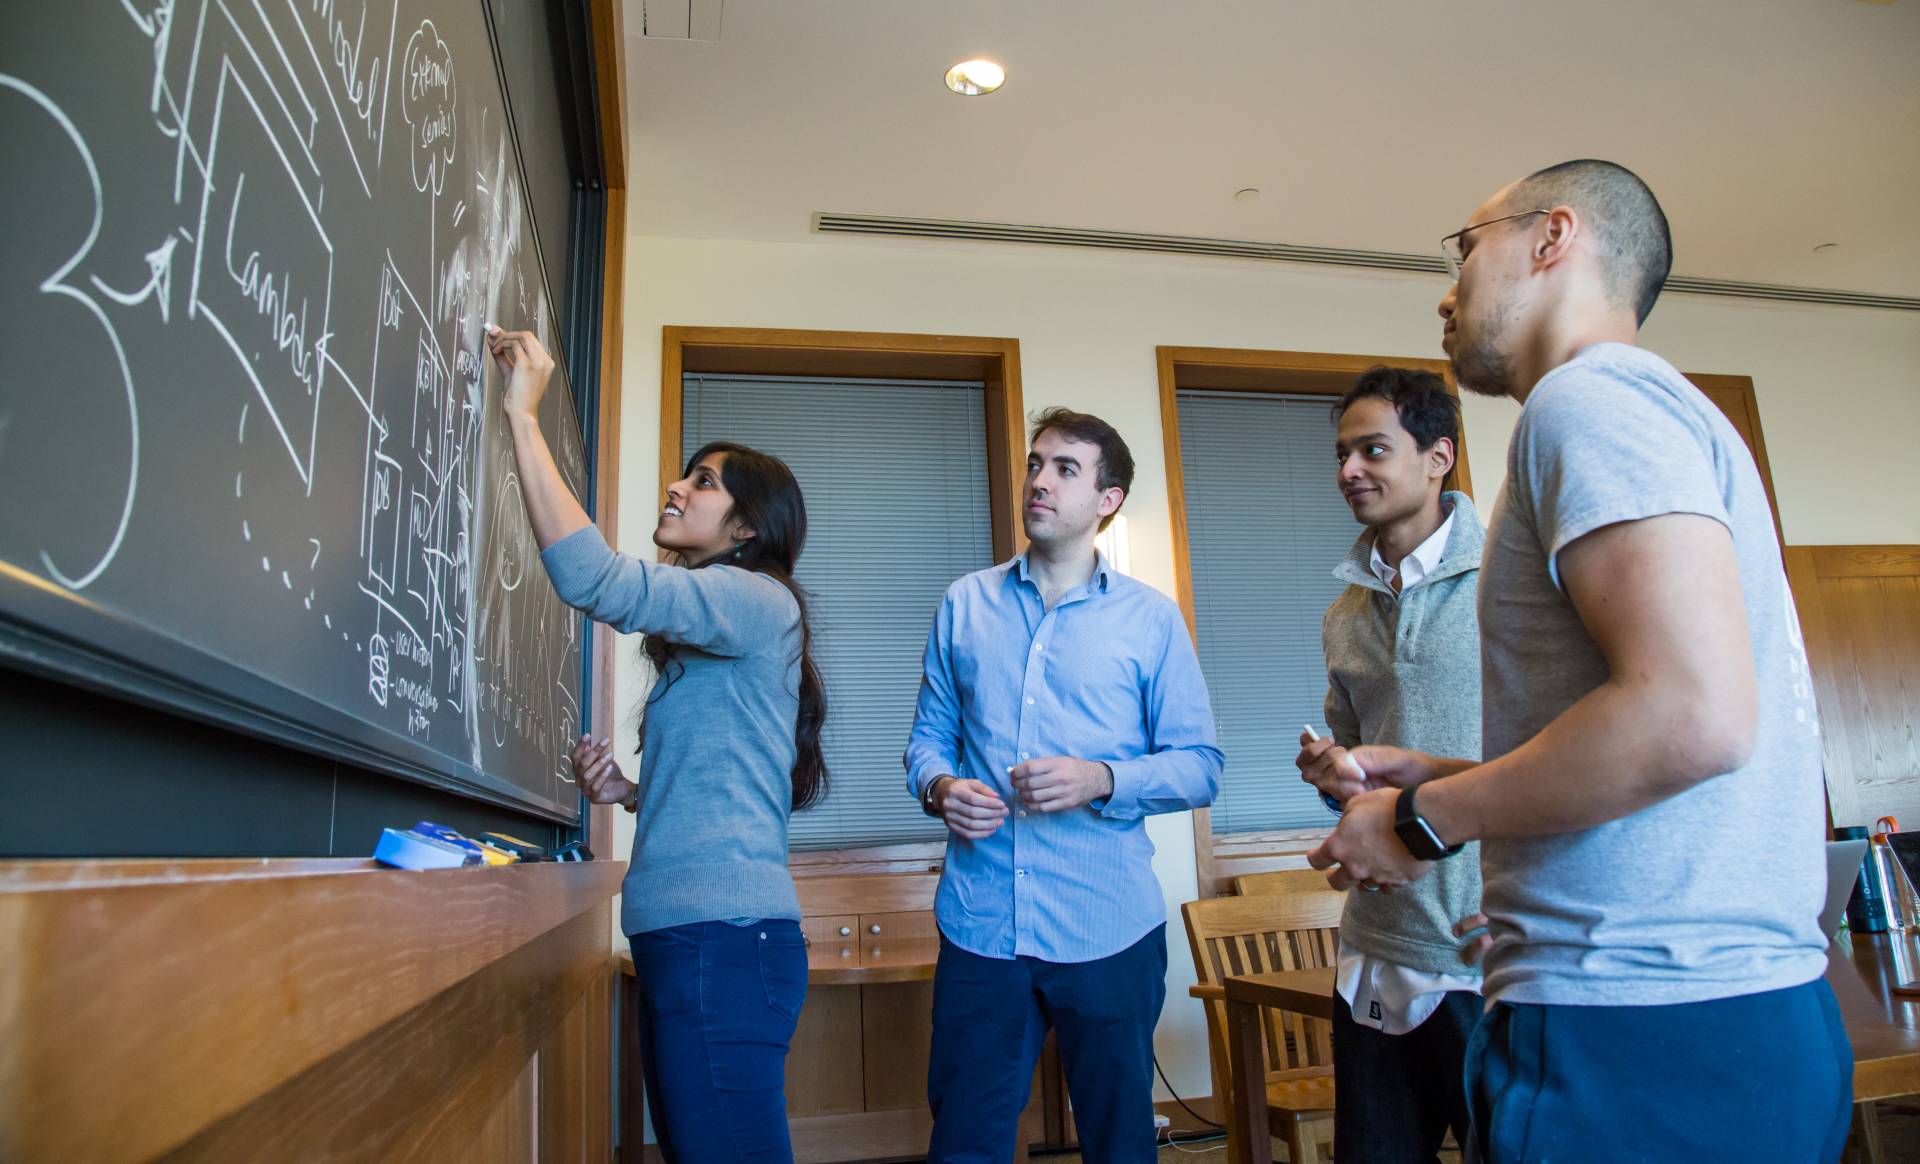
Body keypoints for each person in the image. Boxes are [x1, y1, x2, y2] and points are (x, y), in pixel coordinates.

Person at [1305, 161, 1849, 1162]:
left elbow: (1692, 716)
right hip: (1706, 1015)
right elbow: (1655, 729)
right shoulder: (1656, 410)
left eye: (1464, 250)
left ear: (1553, 238)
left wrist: (1425, 822)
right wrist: (1445, 775)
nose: (1447, 287)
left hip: (1641, 1030)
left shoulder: (1585, 405)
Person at [488, 327, 827, 1163]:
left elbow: (594, 579)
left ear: (747, 526)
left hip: (723, 938)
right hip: (697, 935)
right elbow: (731, 782)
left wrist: (523, 418)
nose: (676, 488)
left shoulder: (755, 599)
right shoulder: (723, 627)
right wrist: (631, 793)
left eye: (701, 482)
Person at [905, 407, 1222, 1163]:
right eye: (1035, 464)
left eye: (1065, 469)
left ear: (1107, 501)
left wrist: (1100, 778)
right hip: (983, 928)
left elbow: (1201, 764)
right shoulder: (964, 604)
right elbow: (925, 741)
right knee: (964, 1143)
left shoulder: (1152, 620)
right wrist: (939, 788)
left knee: (1119, 1145)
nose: (1039, 481)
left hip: (1108, 928)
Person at [1296, 365, 1485, 1162]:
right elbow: (1355, 768)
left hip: (1489, 949)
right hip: (1376, 944)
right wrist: (1330, 770)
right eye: (1342, 453)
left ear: (1438, 456)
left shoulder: (1511, 580)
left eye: (1373, 449)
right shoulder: (1343, 613)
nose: (1348, 471)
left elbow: (1571, 757)